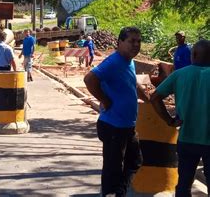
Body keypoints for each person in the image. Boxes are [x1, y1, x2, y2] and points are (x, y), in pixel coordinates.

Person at [84, 27, 150, 196]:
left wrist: (148, 97)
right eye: (131, 41)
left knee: (135, 161)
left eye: (138, 41)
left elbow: (132, 83)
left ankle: (119, 191)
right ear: (120, 42)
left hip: (127, 125)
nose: (136, 45)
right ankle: (110, 193)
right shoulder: (114, 62)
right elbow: (90, 79)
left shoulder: (129, 61)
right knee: (113, 168)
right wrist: (104, 99)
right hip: (113, 125)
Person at [150, 39, 210, 196]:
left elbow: (155, 98)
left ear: (194, 54)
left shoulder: (179, 75)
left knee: (184, 184)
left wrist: (169, 120)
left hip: (187, 140)